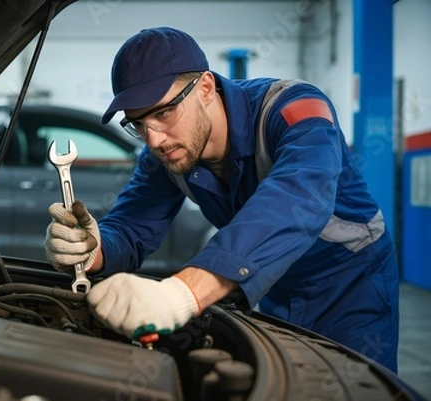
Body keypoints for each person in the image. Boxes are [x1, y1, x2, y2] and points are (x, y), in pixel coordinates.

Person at [44, 27, 399, 372]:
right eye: (137, 123)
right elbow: (132, 226)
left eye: (163, 112)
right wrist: (92, 247)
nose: (153, 140)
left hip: (353, 285)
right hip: (275, 285)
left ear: (206, 88)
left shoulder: (296, 109)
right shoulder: (167, 153)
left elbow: (297, 199)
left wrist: (182, 293)